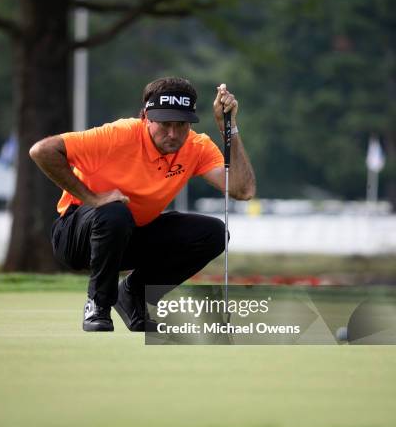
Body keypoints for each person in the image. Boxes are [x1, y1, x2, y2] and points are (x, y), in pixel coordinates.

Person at [29, 77, 256, 332]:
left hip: (130, 234)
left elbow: (242, 189)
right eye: (165, 124)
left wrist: (229, 127)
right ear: (146, 117)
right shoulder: (118, 135)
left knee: (213, 233)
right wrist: (93, 198)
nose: (173, 133)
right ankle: (98, 304)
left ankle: (133, 294)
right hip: (76, 236)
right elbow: (42, 151)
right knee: (114, 212)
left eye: (181, 124)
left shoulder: (196, 146)